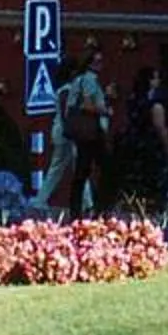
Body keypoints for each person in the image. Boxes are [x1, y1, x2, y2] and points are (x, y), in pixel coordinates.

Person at [49, 44, 113, 216]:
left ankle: (76, 210)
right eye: (98, 61)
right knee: (105, 168)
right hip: (91, 131)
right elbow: (87, 104)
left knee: (82, 170)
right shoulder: (89, 79)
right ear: (90, 63)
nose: (101, 64)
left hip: (82, 132)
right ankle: (101, 207)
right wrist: (105, 110)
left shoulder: (78, 80)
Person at [124, 62, 168, 221]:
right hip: (152, 146)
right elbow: (160, 127)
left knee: (139, 179)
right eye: (155, 78)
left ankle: (139, 210)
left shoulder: (133, 100)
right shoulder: (155, 105)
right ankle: (161, 211)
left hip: (134, 143)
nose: (158, 81)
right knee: (158, 178)